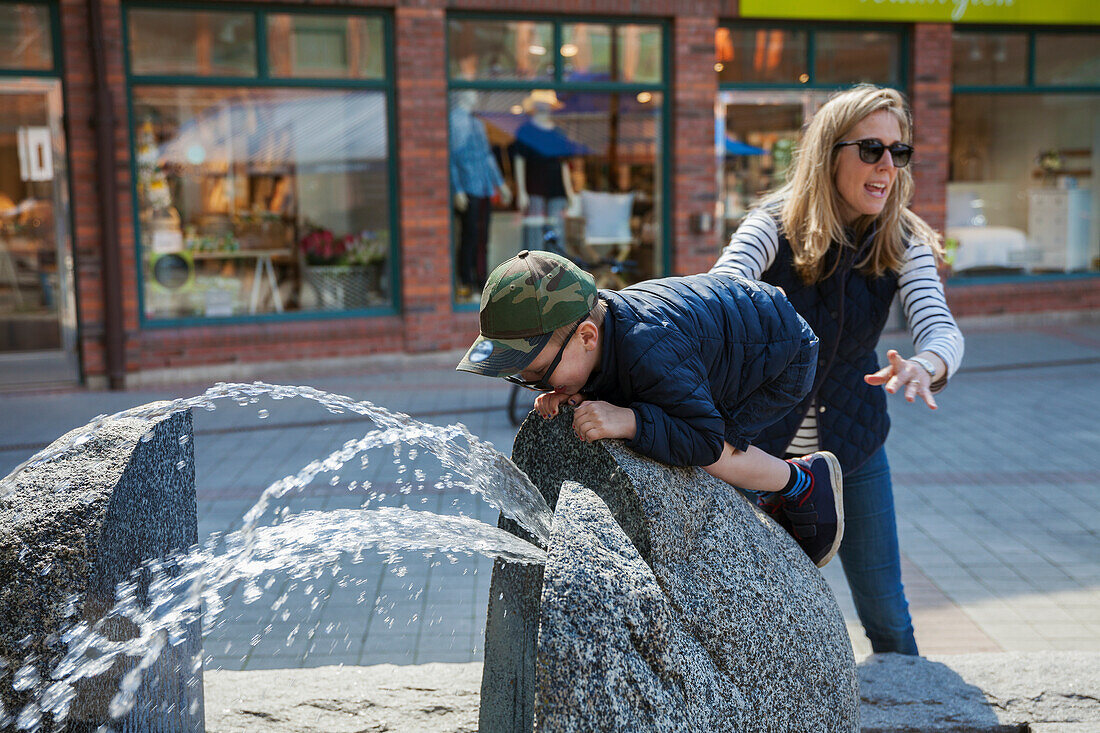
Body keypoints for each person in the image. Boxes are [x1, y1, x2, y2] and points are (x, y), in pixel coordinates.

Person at [711, 84, 965, 655]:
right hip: (759, 454)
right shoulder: (771, 224)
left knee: (889, 615)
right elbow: (722, 287)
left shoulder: (904, 237)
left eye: (898, 153)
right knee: (752, 620)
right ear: (830, 152)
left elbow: (941, 328)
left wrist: (927, 364)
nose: (886, 166)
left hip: (854, 448)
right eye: (870, 149)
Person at [456, 249, 844, 568]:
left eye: (539, 373)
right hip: (733, 336)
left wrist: (631, 421)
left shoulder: (648, 347)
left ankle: (804, 481)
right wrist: (570, 387)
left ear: (587, 336)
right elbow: (603, 370)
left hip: (777, 356)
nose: (537, 386)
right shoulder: (600, 328)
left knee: (718, 454)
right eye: (526, 379)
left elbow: (703, 439)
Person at [449, 90, 512, 297]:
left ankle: (481, 280)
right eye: (472, 92)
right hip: (468, 187)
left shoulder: (477, 123)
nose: (477, 95)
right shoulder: (453, 121)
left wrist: (500, 184)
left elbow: (487, 157)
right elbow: (451, 158)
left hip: (483, 187)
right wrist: (457, 189)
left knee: (483, 237)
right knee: (469, 236)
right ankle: (465, 281)